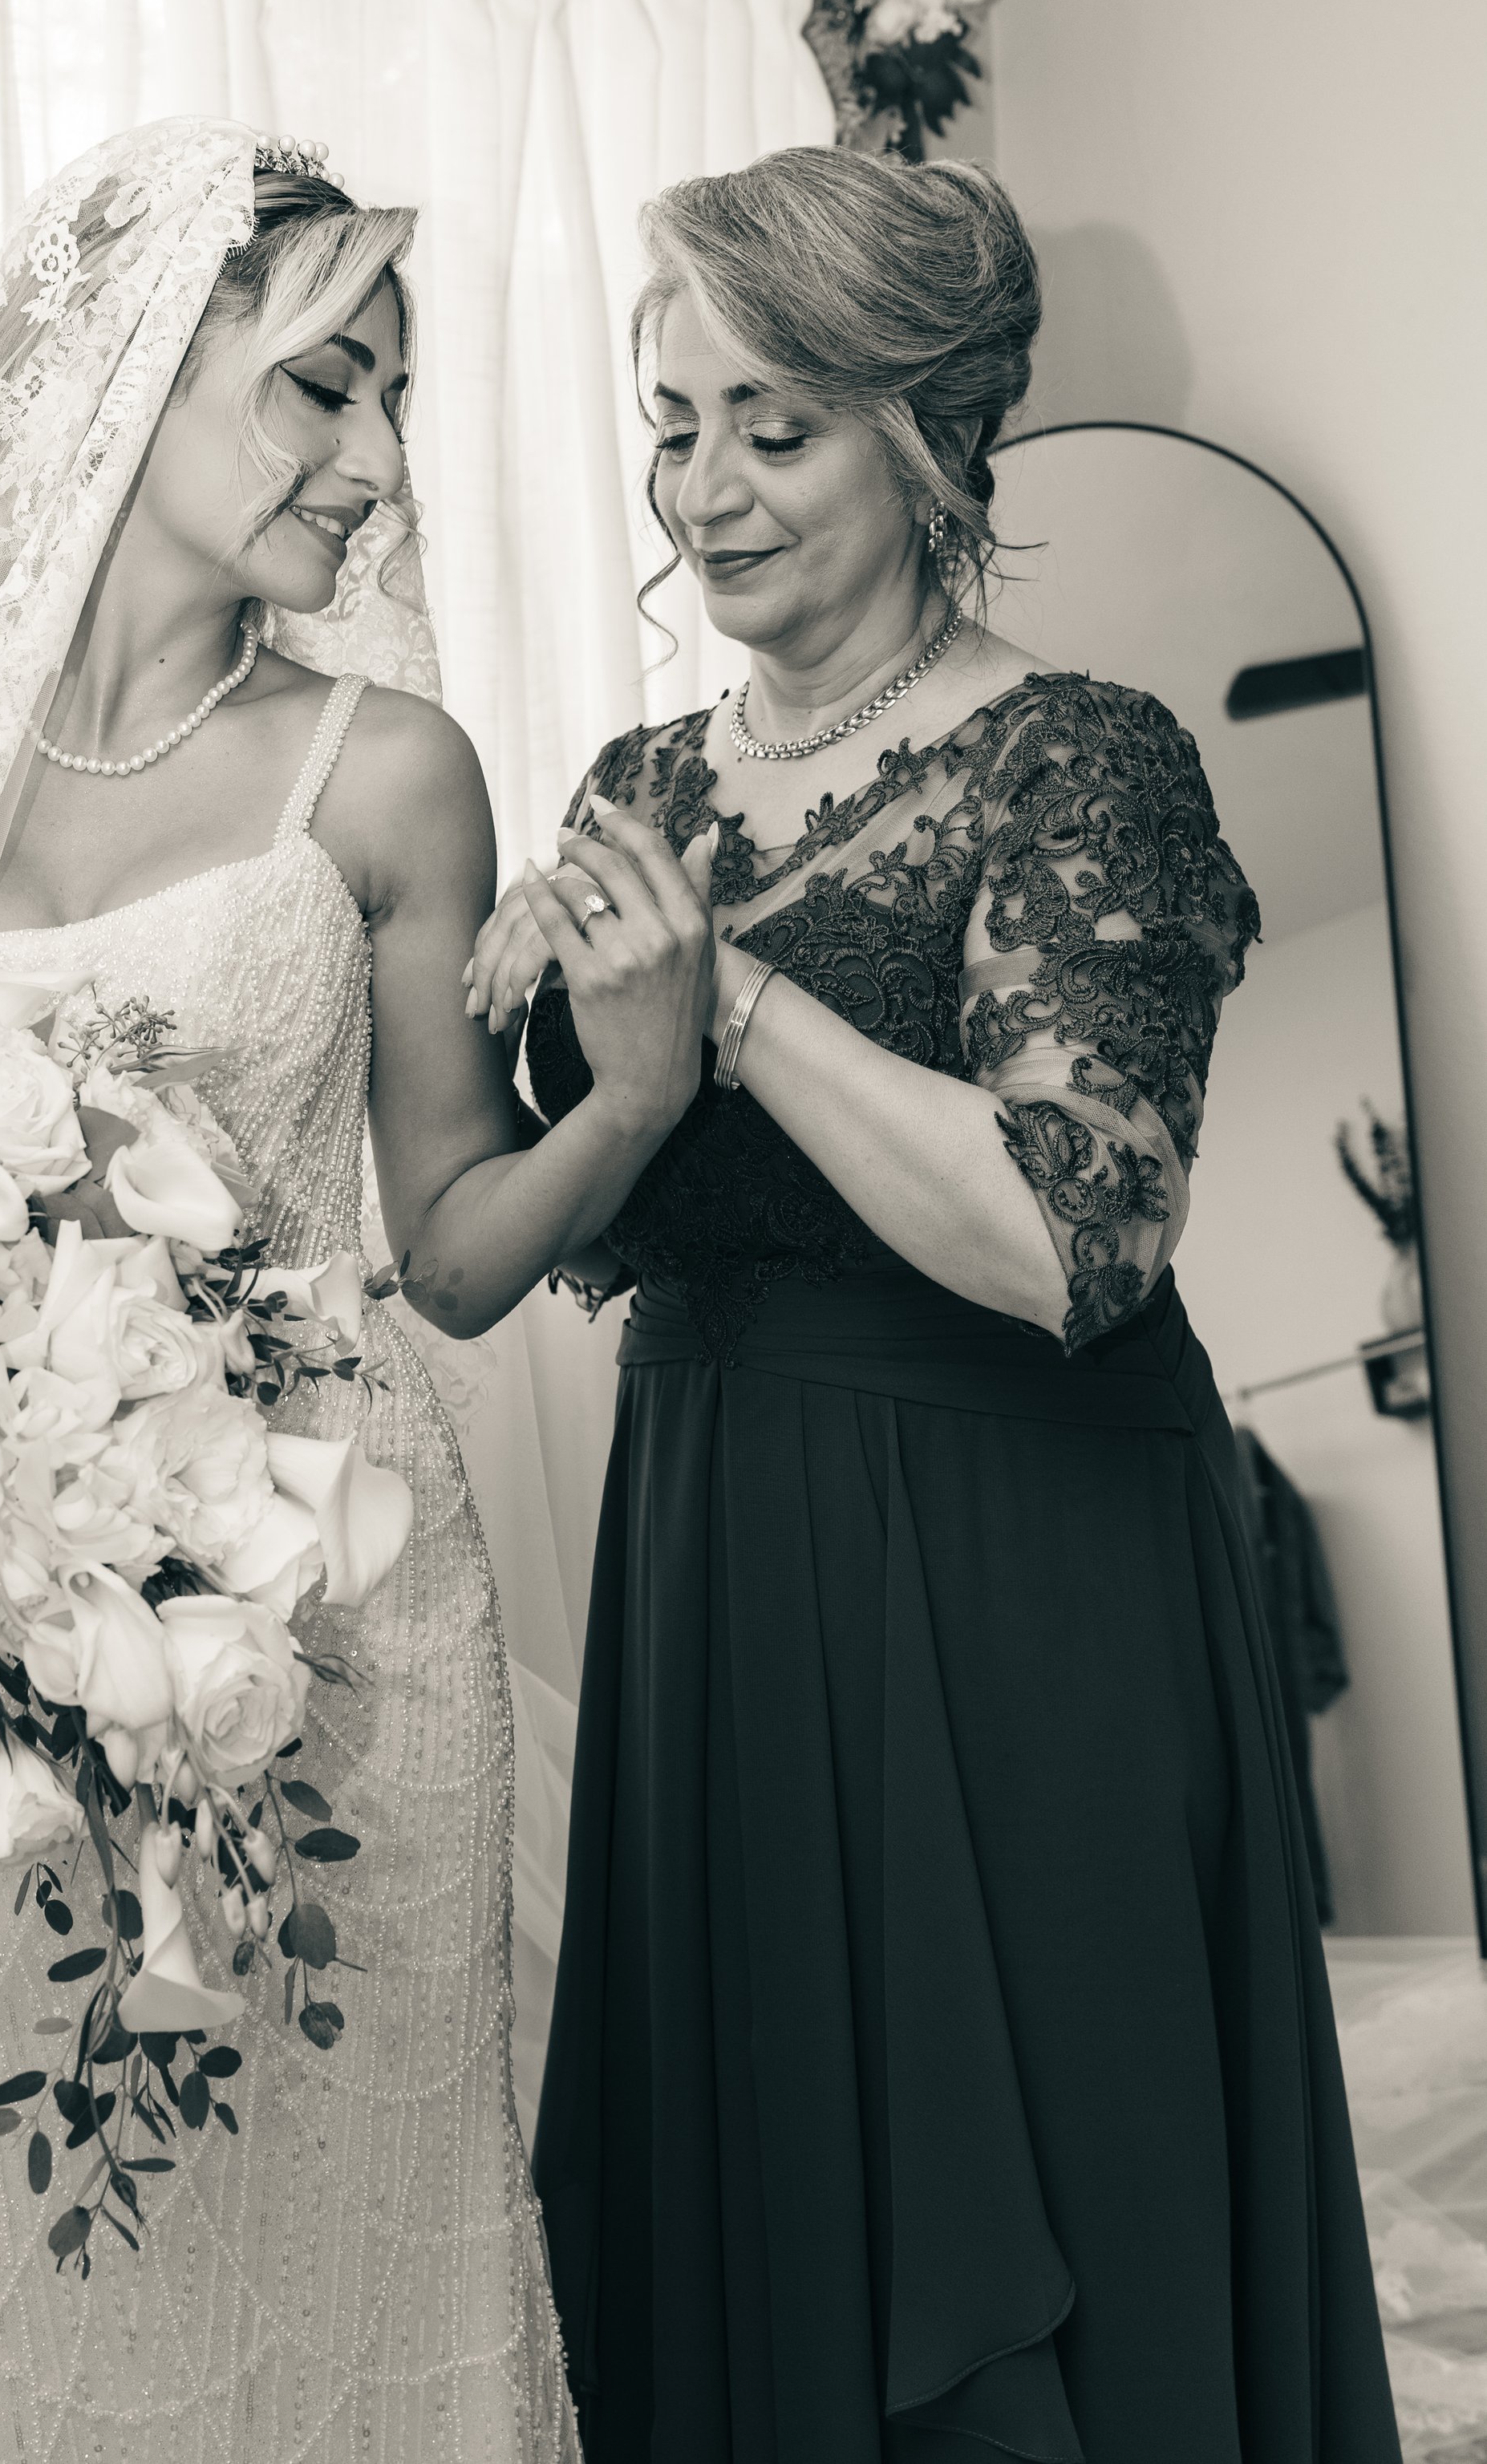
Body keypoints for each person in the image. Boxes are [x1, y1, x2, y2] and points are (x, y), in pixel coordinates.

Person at [0, 117, 715, 2464]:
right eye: (322, 388)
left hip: (318, 1633)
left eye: (396, 402)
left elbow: (448, 1254)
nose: (377, 462)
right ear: (127, 373)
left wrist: (637, 1099)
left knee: (321, 2256)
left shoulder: (391, 774)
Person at [469, 146, 1401, 2463]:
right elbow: (605, 1232)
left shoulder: (1082, 759)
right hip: (718, 1547)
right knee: (763, 2200)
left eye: (772, 427)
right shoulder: (637, 784)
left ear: (927, 434)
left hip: (1016, 1568)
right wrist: (565, 1023)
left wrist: (726, 997)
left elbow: (1073, 1238)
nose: (704, 488)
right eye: (673, 424)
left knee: (1053, 2189)